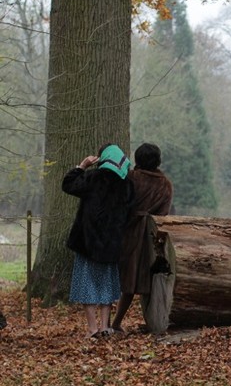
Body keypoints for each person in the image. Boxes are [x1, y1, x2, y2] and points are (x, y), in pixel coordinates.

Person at [62, 143, 133, 338]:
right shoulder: (127, 183)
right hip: (112, 245)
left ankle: (92, 329)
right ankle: (105, 327)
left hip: (88, 241)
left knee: (87, 285)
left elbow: (67, 185)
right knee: (107, 286)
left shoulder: (94, 177)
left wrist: (81, 166)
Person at [111, 143, 173, 333]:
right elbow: (163, 216)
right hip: (148, 237)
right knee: (135, 280)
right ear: (158, 161)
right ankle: (116, 322)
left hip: (123, 231)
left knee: (114, 276)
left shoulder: (130, 178)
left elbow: (117, 203)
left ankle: (107, 322)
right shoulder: (165, 184)